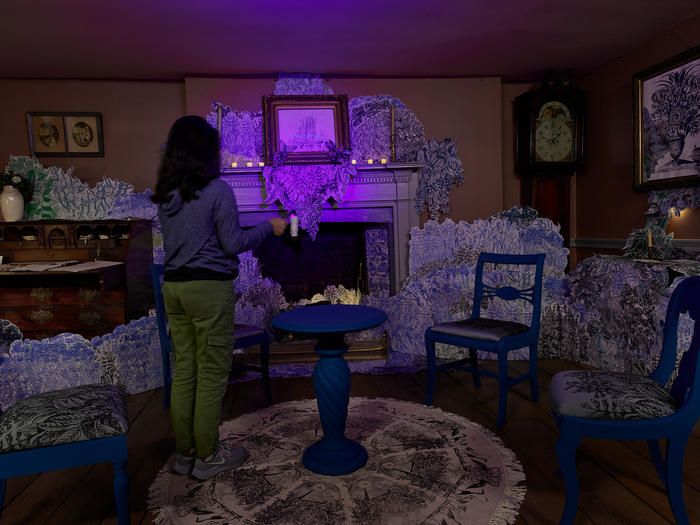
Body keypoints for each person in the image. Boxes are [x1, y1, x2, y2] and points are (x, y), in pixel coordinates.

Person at [152, 115, 286, 480]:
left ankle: (184, 454)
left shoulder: (167, 196)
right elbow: (233, 243)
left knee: (185, 370)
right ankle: (209, 456)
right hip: (208, 290)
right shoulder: (217, 191)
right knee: (212, 373)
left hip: (174, 288)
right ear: (205, 151)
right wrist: (269, 227)